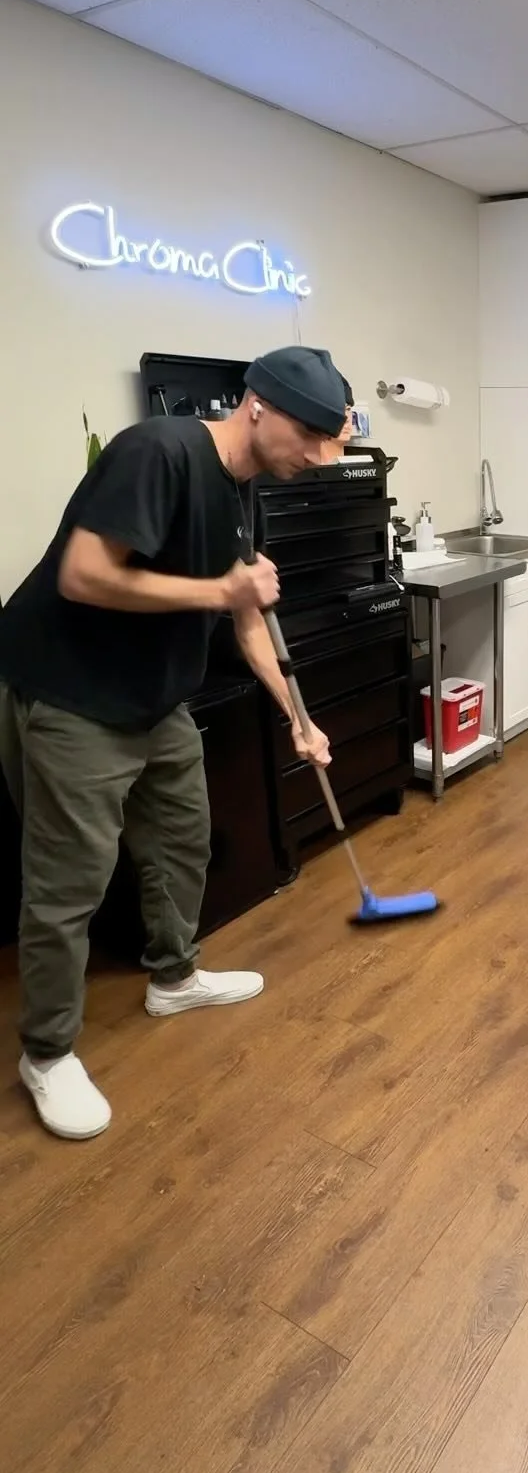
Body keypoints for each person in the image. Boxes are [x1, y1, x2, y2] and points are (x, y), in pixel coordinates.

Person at [0, 346, 349, 1140]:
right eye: (308, 436)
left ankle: (173, 977)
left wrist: (296, 714)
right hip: (75, 694)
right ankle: (47, 1055)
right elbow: (83, 574)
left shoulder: (244, 486)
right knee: (68, 886)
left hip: (156, 699)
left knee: (183, 838)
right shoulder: (157, 451)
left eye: (328, 442)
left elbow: (247, 617)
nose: (316, 457)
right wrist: (221, 587)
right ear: (257, 406)